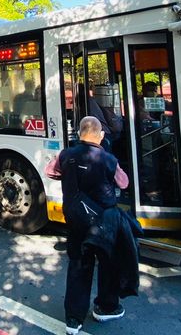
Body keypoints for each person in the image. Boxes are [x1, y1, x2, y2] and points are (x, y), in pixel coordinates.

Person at [46, 116, 132, 335]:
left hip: (76, 220)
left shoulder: (66, 155)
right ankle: (106, 307)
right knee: (108, 264)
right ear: (100, 135)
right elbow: (123, 182)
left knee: (78, 264)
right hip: (104, 223)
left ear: (79, 133)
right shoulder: (108, 158)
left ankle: (73, 320)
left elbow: (51, 172)